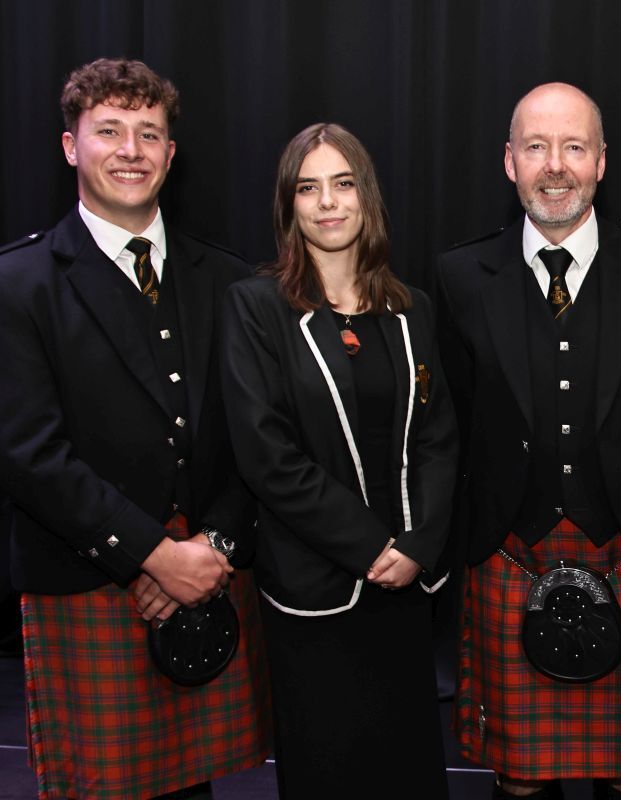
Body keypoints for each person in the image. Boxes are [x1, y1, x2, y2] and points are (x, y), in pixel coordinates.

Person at [0, 58, 271, 799]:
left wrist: (209, 549)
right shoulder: (17, 284)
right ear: (69, 146)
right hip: (90, 584)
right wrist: (153, 556)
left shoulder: (231, 281)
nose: (130, 150)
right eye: (109, 131)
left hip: (210, 573)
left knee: (194, 789)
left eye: (148, 133)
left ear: (170, 154)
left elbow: (261, 434)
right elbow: (27, 454)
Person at [437, 82, 621, 799]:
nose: (556, 165)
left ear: (602, 162)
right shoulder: (459, 277)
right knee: (520, 779)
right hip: (509, 551)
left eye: (574, 147)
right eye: (536, 147)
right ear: (509, 162)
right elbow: (453, 424)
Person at [220, 123, 457, 798]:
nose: (328, 202)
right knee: (328, 773)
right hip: (316, 586)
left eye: (343, 183)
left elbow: (439, 438)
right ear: (288, 205)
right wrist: (369, 545)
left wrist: (416, 545)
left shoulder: (414, 311)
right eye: (308, 187)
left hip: (405, 587)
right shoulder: (255, 308)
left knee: (406, 771)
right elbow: (265, 455)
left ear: (367, 197)